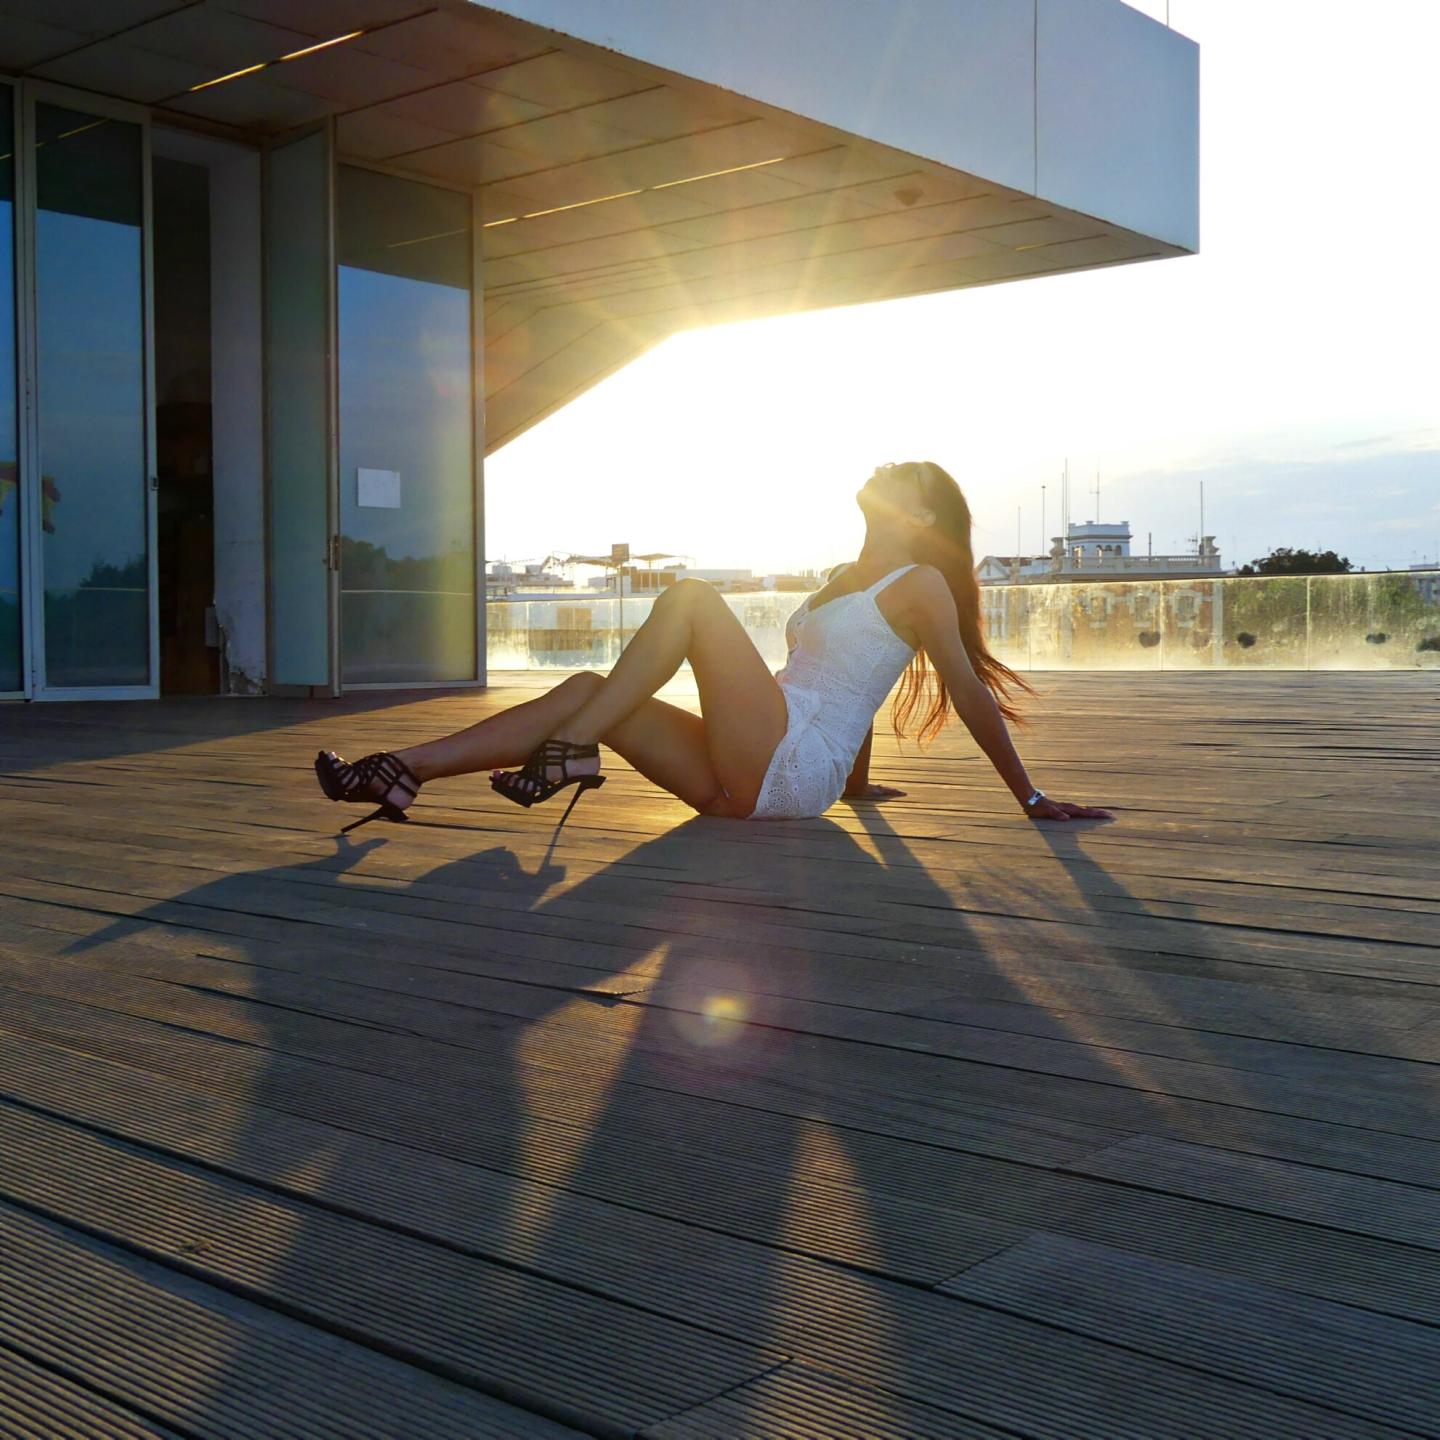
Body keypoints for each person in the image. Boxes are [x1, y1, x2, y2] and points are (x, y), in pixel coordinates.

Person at [314, 461, 1113, 829]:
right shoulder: (844, 577)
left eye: (901, 472)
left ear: (923, 517)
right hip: (746, 779)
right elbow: (855, 678)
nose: (882, 466)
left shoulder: (921, 584)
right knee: (588, 686)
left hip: (789, 762)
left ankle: (570, 751)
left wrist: (1030, 796)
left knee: (693, 598)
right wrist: (860, 783)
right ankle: (399, 772)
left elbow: (965, 689)